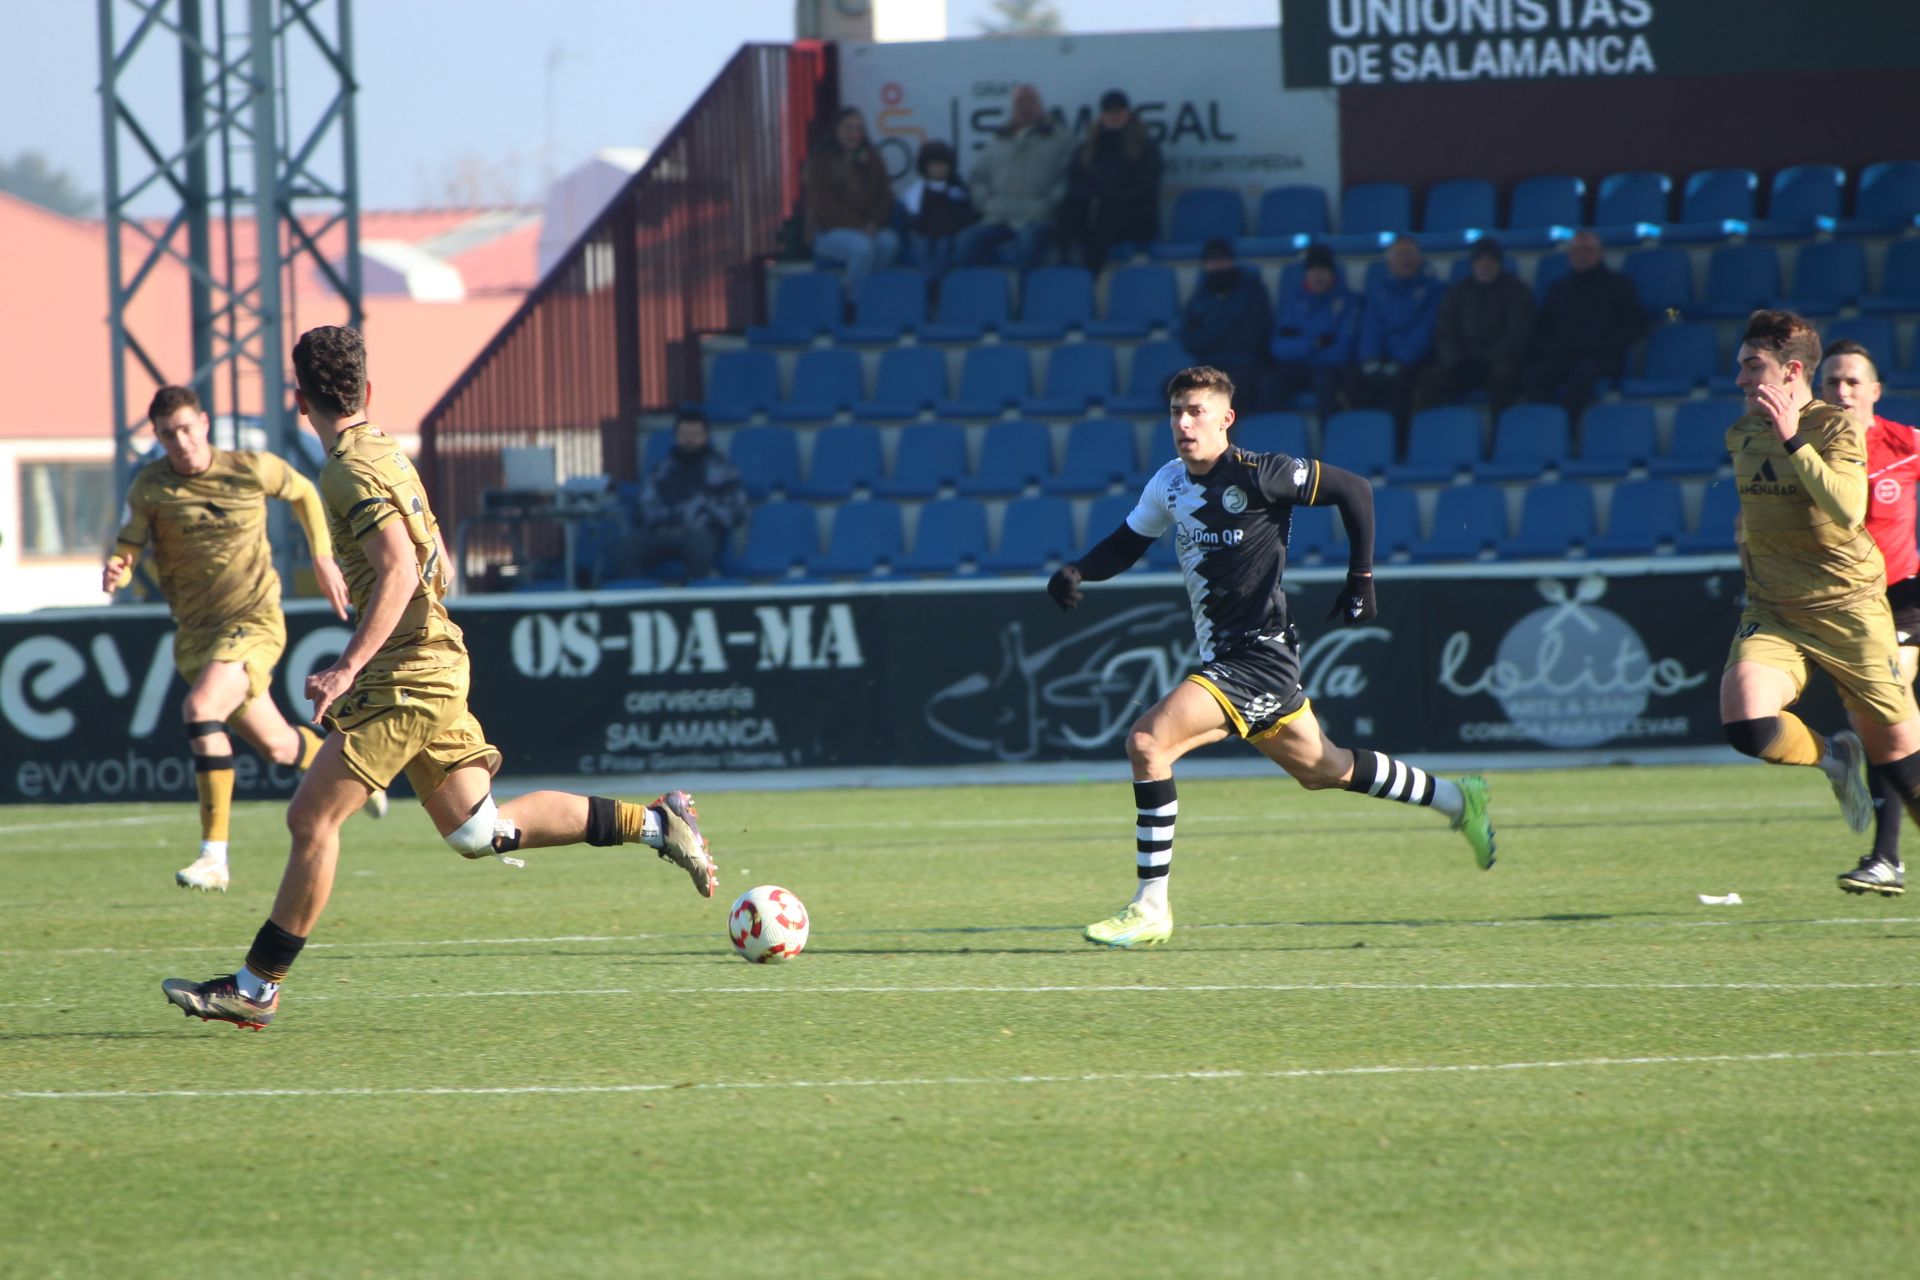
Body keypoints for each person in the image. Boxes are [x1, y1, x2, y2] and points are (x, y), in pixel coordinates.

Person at [161, 326, 718, 1030]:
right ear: (366, 392)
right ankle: (657, 823)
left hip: (408, 677)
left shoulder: (346, 470)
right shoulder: (386, 451)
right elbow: (435, 558)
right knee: (478, 831)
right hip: (431, 662)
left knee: (311, 818)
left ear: (299, 400)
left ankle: (257, 987)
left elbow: (398, 567)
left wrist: (347, 667)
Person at [1045, 365, 1495, 949]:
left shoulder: (1264, 474)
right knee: (1324, 770)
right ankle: (1460, 798)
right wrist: (1080, 570)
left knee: (1148, 743)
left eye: (1197, 411)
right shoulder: (1169, 483)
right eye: (1177, 411)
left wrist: (1361, 579)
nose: (1184, 423)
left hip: (1259, 657)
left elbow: (1353, 489)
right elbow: (1129, 541)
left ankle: (1150, 905)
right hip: (1233, 660)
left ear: (1226, 419)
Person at [103, 384, 385, 894]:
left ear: (204, 423)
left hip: (253, 621)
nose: (181, 442)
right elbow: (128, 546)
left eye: (187, 429)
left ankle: (215, 856)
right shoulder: (150, 487)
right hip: (197, 636)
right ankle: (352, 768)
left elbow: (302, 490)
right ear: (158, 436)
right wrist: (118, 570)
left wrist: (323, 557)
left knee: (200, 709)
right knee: (279, 747)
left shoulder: (248, 467)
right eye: (168, 434)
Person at [1718, 309, 1920, 902]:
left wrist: (1792, 438)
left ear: (1791, 371)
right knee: (1747, 724)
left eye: (1752, 368)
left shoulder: (1835, 429)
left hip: (1853, 610)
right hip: (1777, 610)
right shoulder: (1741, 433)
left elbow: (1847, 508)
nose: (1739, 381)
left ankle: (1888, 853)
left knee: (1903, 762)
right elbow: (1757, 518)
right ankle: (1835, 757)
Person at [1819, 337, 1917, 897]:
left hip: (1903, 599)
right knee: (1884, 728)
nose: (1842, 390)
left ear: (1874, 391)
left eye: (1853, 381)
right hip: (1845, 607)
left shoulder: (1904, 444)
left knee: (1883, 713)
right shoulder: (1800, 450)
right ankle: (1887, 860)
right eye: (1832, 381)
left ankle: (1885, 859)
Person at [1519, 229, 1645, 429]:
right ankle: (1551, 425)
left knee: (1582, 376)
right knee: (1533, 378)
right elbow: (1541, 328)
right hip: (1563, 354)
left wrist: (1609, 345)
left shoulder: (1619, 285)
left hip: (1602, 356)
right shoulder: (1558, 288)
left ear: (1600, 253)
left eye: (1588, 250)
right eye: (1577, 251)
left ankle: (1567, 428)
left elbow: (1637, 323)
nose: (1582, 256)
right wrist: (1549, 348)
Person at [619, 410, 749, 583]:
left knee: (699, 546)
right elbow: (643, 507)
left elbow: (737, 511)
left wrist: (703, 514)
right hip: (661, 531)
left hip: (700, 532)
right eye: (684, 434)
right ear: (675, 436)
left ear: (706, 435)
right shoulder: (661, 470)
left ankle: (693, 599)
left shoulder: (723, 470)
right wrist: (667, 518)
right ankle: (640, 600)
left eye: (696, 434)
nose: (690, 439)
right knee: (627, 548)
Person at [955, 83, 1072, 274]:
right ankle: (979, 299)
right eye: (1020, 102)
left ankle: (1027, 301)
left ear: (1041, 106)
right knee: (966, 241)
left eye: (1031, 101)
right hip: (998, 216)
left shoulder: (1061, 139)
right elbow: (978, 178)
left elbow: (1069, 177)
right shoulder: (997, 140)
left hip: (1037, 217)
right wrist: (984, 203)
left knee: (1028, 242)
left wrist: (1050, 204)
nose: (1025, 107)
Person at [1414, 237, 1533, 417]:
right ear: (1473, 263)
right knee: (1430, 380)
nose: (1485, 265)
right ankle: (1430, 437)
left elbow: (1518, 332)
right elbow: (1446, 331)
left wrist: (1491, 358)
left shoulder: (1517, 290)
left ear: (1499, 262)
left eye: (1491, 260)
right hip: (1464, 361)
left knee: (1504, 380)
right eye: (1480, 260)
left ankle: (1499, 439)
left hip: (1500, 361)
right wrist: (1457, 360)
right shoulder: (1458, 292)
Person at [1343, 235, 1442, 438]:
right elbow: (1370, 327)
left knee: (1402, 388)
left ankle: (1400, 446)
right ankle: (1367, 441)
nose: (1405, 259)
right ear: (1389, 261)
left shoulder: (1434, 290)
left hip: (1414, 361)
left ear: (1419, 258)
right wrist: (1370, 360)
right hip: (1381, 361)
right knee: (1354, 383)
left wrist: (1401, 361)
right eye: (1399, 254)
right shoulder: (1379, 292)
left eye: (1409, 254)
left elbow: (1425, 330)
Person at [1059, 88, 1162, 274]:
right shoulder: (1089, 146)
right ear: (1103, 115)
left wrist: (1112, 195)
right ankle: (1064, 268)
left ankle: (1091, 274)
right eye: (1110, 112)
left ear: (1127, 113)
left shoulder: (1144, 145)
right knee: (1068, 209)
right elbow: (1074, 179)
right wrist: (1092, 196)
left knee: (1108, 210)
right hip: (1095, 211)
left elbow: (1146, 183)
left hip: (1135, 216)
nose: (1115, 116)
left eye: (1119, 111)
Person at [804, 107, 898, 293]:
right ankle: (851, 301)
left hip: (866, 228)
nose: (855, 134)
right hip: (828, 230)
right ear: (836, 130)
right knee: (861, 248)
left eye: (859, 129)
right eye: (849, 128)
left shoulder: (872, 157)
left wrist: (873, 223)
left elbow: (884, 195)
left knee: (889, 242)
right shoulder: (822, 160)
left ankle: (868, 293)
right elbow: (824, 204)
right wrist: (859, 227)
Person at [1266, 241, 1360, 421]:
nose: (1318, 275)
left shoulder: (1349, 302)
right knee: (1270, 384)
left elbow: (1343, 350)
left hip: (1331, 370)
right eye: (1313, 269)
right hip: (1299, 367)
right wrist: (1314, 344)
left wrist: (1300, 346)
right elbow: (1277, 348)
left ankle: (1330, 444)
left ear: (1332, 272)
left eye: (1323, 269)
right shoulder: (1294, 302)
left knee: (1325, 384)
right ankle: (1272, 443)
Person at [1178, 237, 1271, 413]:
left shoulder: (1252, 291)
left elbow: (1254, 336)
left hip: (1246, 366)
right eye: (1212, 261)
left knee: (1234, 393)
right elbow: (1189, 341)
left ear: (1232, 261)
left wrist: (1211, 333)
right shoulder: (1200, 297)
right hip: (1208, 367)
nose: (1218, 266)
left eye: (1222, 260)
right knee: (1176, 389)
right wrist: (1226, 327)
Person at [900, 139, 977, 281]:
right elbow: (911, 218)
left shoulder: (958, 189)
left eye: (943, 164)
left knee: (943, 245)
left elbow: (968, 214)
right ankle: (927, 284)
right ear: (925, 167)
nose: (939, 168)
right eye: (934, 165)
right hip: (923, 232)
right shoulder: (916, 191)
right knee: (921, 245)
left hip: (947, 233)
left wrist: (950, 224)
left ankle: (939, 284)